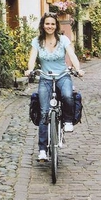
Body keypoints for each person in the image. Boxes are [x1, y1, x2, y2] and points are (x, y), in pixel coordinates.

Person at [25, 12, 84, 162]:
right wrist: (29, 69)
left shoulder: (63, 40)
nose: (49, 26)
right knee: (44, 112)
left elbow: (72, 55)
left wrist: (78, 69)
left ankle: (68, 120)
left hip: (63, 76)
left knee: (67, 95)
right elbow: (32, 58)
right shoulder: (37, 41)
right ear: (43, 25)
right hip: (45, 78)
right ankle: (43, 150)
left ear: (56, 25)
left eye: (52, 24)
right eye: (47, 24)